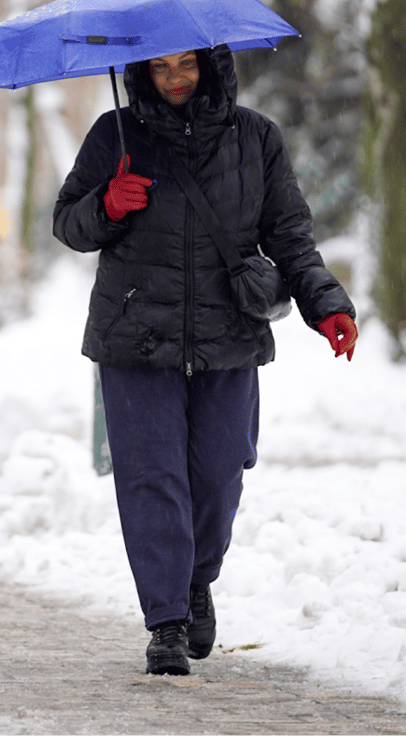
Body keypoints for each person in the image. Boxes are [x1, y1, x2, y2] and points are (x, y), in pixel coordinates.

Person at [53, 46, 358, 675]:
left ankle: (197, 579)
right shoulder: (115, 133)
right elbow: (68, 224)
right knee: (151, 478)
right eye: (160, 69)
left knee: (220, 472)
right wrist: (107, 205)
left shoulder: (255, 138)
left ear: (211, 68)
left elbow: (290, 235)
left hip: (228, 335)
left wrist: (326, 305)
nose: (173, 80)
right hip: (135, 335)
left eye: (185, 67)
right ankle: (165, 621)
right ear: (141, 71)